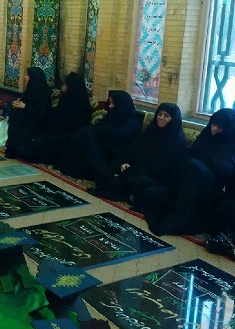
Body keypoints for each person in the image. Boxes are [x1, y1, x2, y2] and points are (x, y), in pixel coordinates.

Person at [145, 108, 235, 237]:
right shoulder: (205, 138)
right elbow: (187, 159)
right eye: (213, 124)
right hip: (188, 186)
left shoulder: (231, 147)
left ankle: (179, 219)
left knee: (195, 166)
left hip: (211, 193)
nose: (214, 129)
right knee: (151, 194)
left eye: (219, 127)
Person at [95, 103, 187, 207]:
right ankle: (130, 193)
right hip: (138, 168)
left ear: (173, 119)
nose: (161, 118)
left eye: (166, 116)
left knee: (138, 182)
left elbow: (168, 170)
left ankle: (131, 194)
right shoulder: (151, 131)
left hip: (157, 178)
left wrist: (137, 170)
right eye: (159, 114)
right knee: (103, 170)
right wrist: (127, 162)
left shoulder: (177, 141)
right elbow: (135, 151)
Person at [57, 89, 141, 179]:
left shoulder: (132, 124)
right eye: (110, 103)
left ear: (122, 105)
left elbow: (116, 137)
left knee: (87, 133)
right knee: (84, 135)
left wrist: (96, 132)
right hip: (101, 149)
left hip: (114, 156)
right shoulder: (111, 117)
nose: (110, 106)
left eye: (113, 103)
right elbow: (101, 130)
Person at [5, 66, 52, 160]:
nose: (24, 77)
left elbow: (42, 113)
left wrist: (25, 106)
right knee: (15, 114)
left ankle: (19, 147)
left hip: (36, 125)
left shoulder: (42, 94)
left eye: (27, 75)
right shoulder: (29, 91)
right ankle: (15, 147)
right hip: (26, 120)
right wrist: (16, 104)